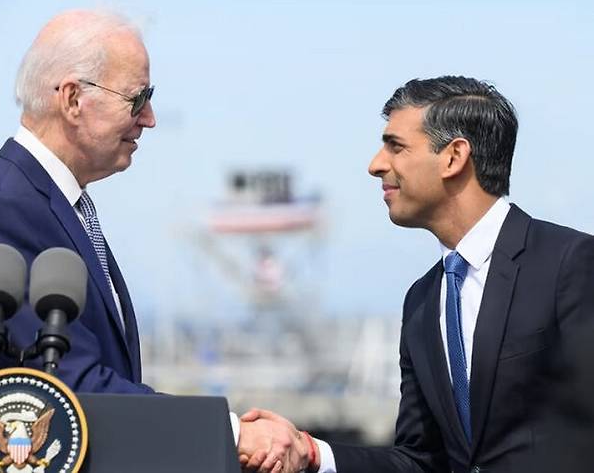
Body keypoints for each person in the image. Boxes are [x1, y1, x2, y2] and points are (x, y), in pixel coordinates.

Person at [0, 10, 308, 469]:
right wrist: (232, 433)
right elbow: (67, 383)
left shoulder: (49, 202)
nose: (149, 118)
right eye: (138, 98)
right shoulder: (7, 207)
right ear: (72, 99)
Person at [240, 76, 594, 473]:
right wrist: (312, 453)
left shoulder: (572, 263)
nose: (376, 165)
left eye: (396, 146)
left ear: (454, 157)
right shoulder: (423, 300)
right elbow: (421, 461)